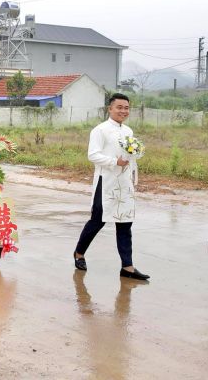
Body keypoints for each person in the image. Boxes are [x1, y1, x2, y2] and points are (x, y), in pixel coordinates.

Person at [73, 93, 150, 281]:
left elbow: (130, 155)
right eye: (119, 107)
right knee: (97, 220)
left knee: (125, 222)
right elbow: (93, 155)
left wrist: (131, 163)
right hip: (105, 180)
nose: (123, 111)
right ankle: (79, 253)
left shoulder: (129, 132)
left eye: (126, 108)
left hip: (124, 182)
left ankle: (127, 266)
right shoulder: (100, 130)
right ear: (110, 109)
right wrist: (114, 161)